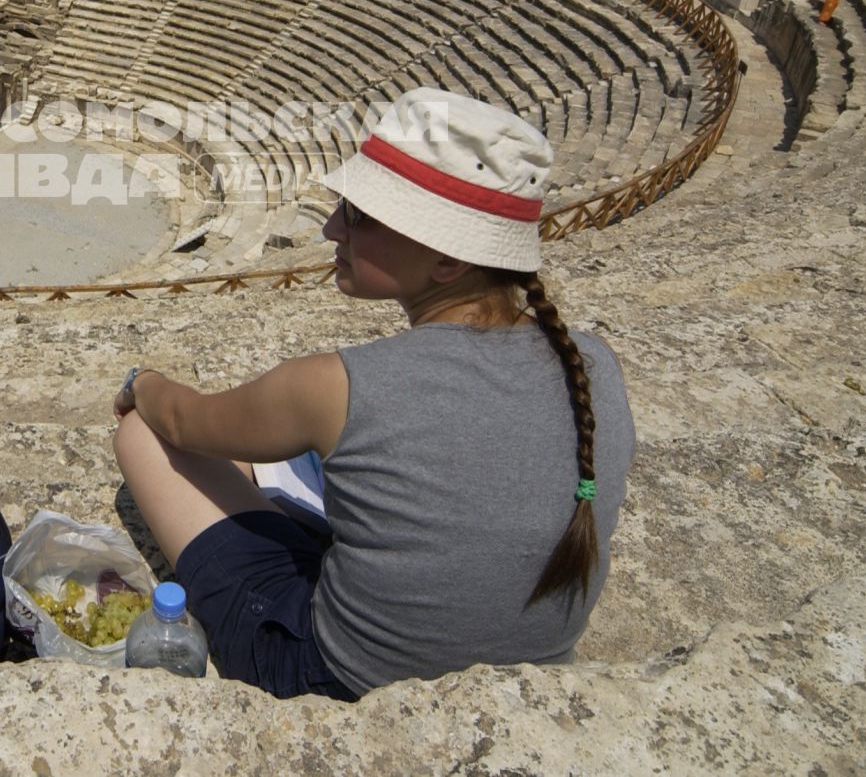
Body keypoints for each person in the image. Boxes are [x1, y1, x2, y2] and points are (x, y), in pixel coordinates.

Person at [112, 90, 635, 699]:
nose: (333, 227)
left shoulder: (335, 385)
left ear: (444, 261)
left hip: (333, 675)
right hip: (530, 672)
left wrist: (140, 383)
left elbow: (178, 421)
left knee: (142, 435)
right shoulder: (594, 362)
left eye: (358, 216)